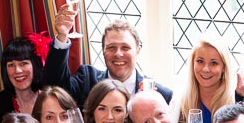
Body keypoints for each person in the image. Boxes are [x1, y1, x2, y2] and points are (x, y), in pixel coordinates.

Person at [45, 15, 173, 104]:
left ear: (138, 50)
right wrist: (62, 36)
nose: (118, 54)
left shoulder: (160, 95)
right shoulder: (87, 80)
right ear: (103, 51)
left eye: (125, 48)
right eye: (111, 48)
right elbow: (55, 86)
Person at [170, 34, 244, 123]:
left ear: (223, 67)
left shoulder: (235, 102)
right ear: (192, 64)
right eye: (200, 61)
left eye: (213, 63)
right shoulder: (179, 102)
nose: (205, 69)